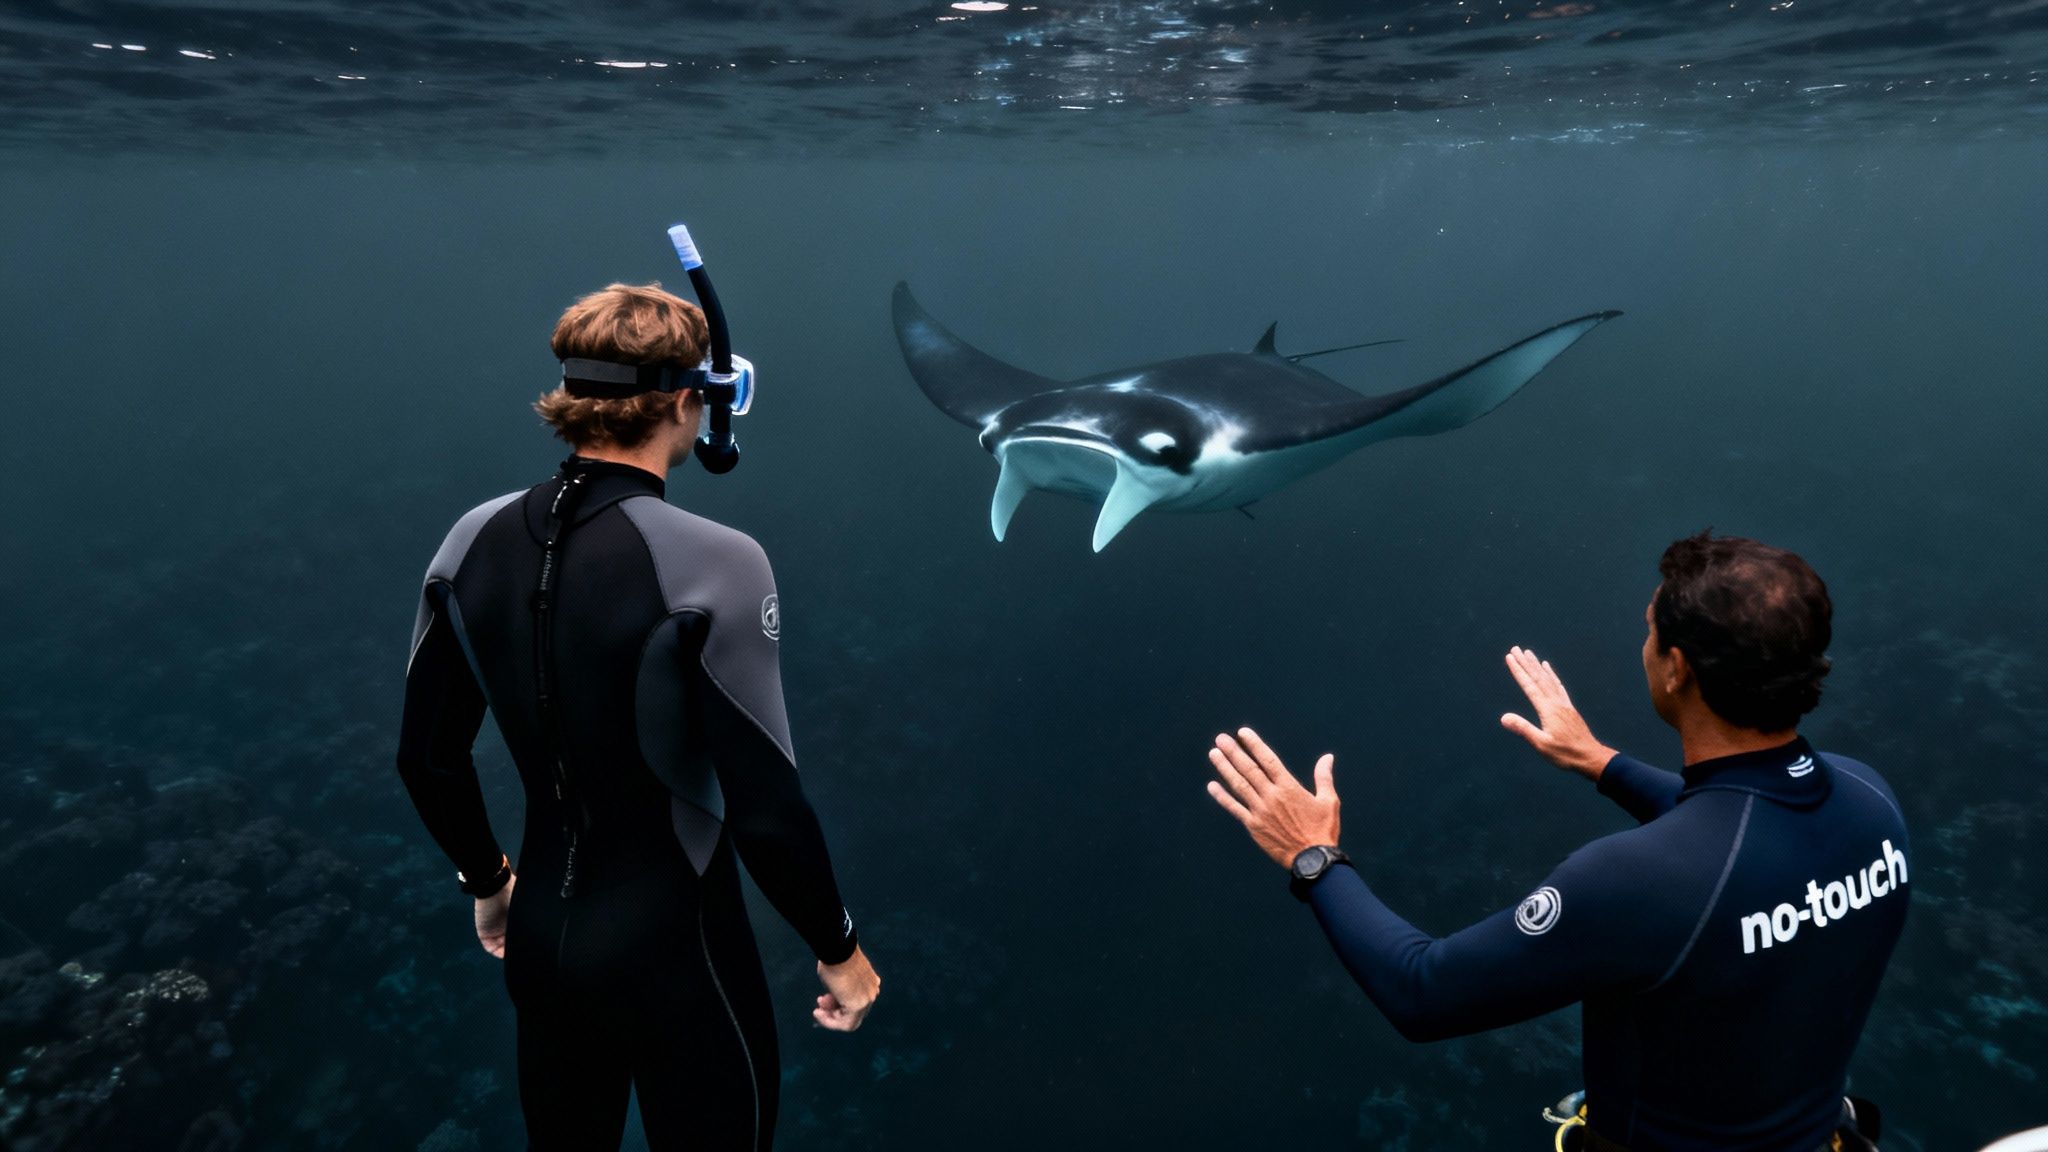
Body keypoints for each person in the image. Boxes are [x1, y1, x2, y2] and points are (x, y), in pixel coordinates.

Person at [1206, 532, 1908, 1152]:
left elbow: (1422, 993)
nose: (1644, 646)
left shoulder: (1631, 883)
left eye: (1650, 631)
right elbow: (1751, 841)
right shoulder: (1869, 802)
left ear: (1677, 668)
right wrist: (1601, 763)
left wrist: (1315, 858)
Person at [396, 281, 880, 1152]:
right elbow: (765, 809)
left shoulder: (470, 539)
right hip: (679, 954)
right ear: (691, 398)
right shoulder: (718, 564)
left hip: (544, 943)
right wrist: (838, 947)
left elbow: (426, 760)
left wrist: (489, 882)